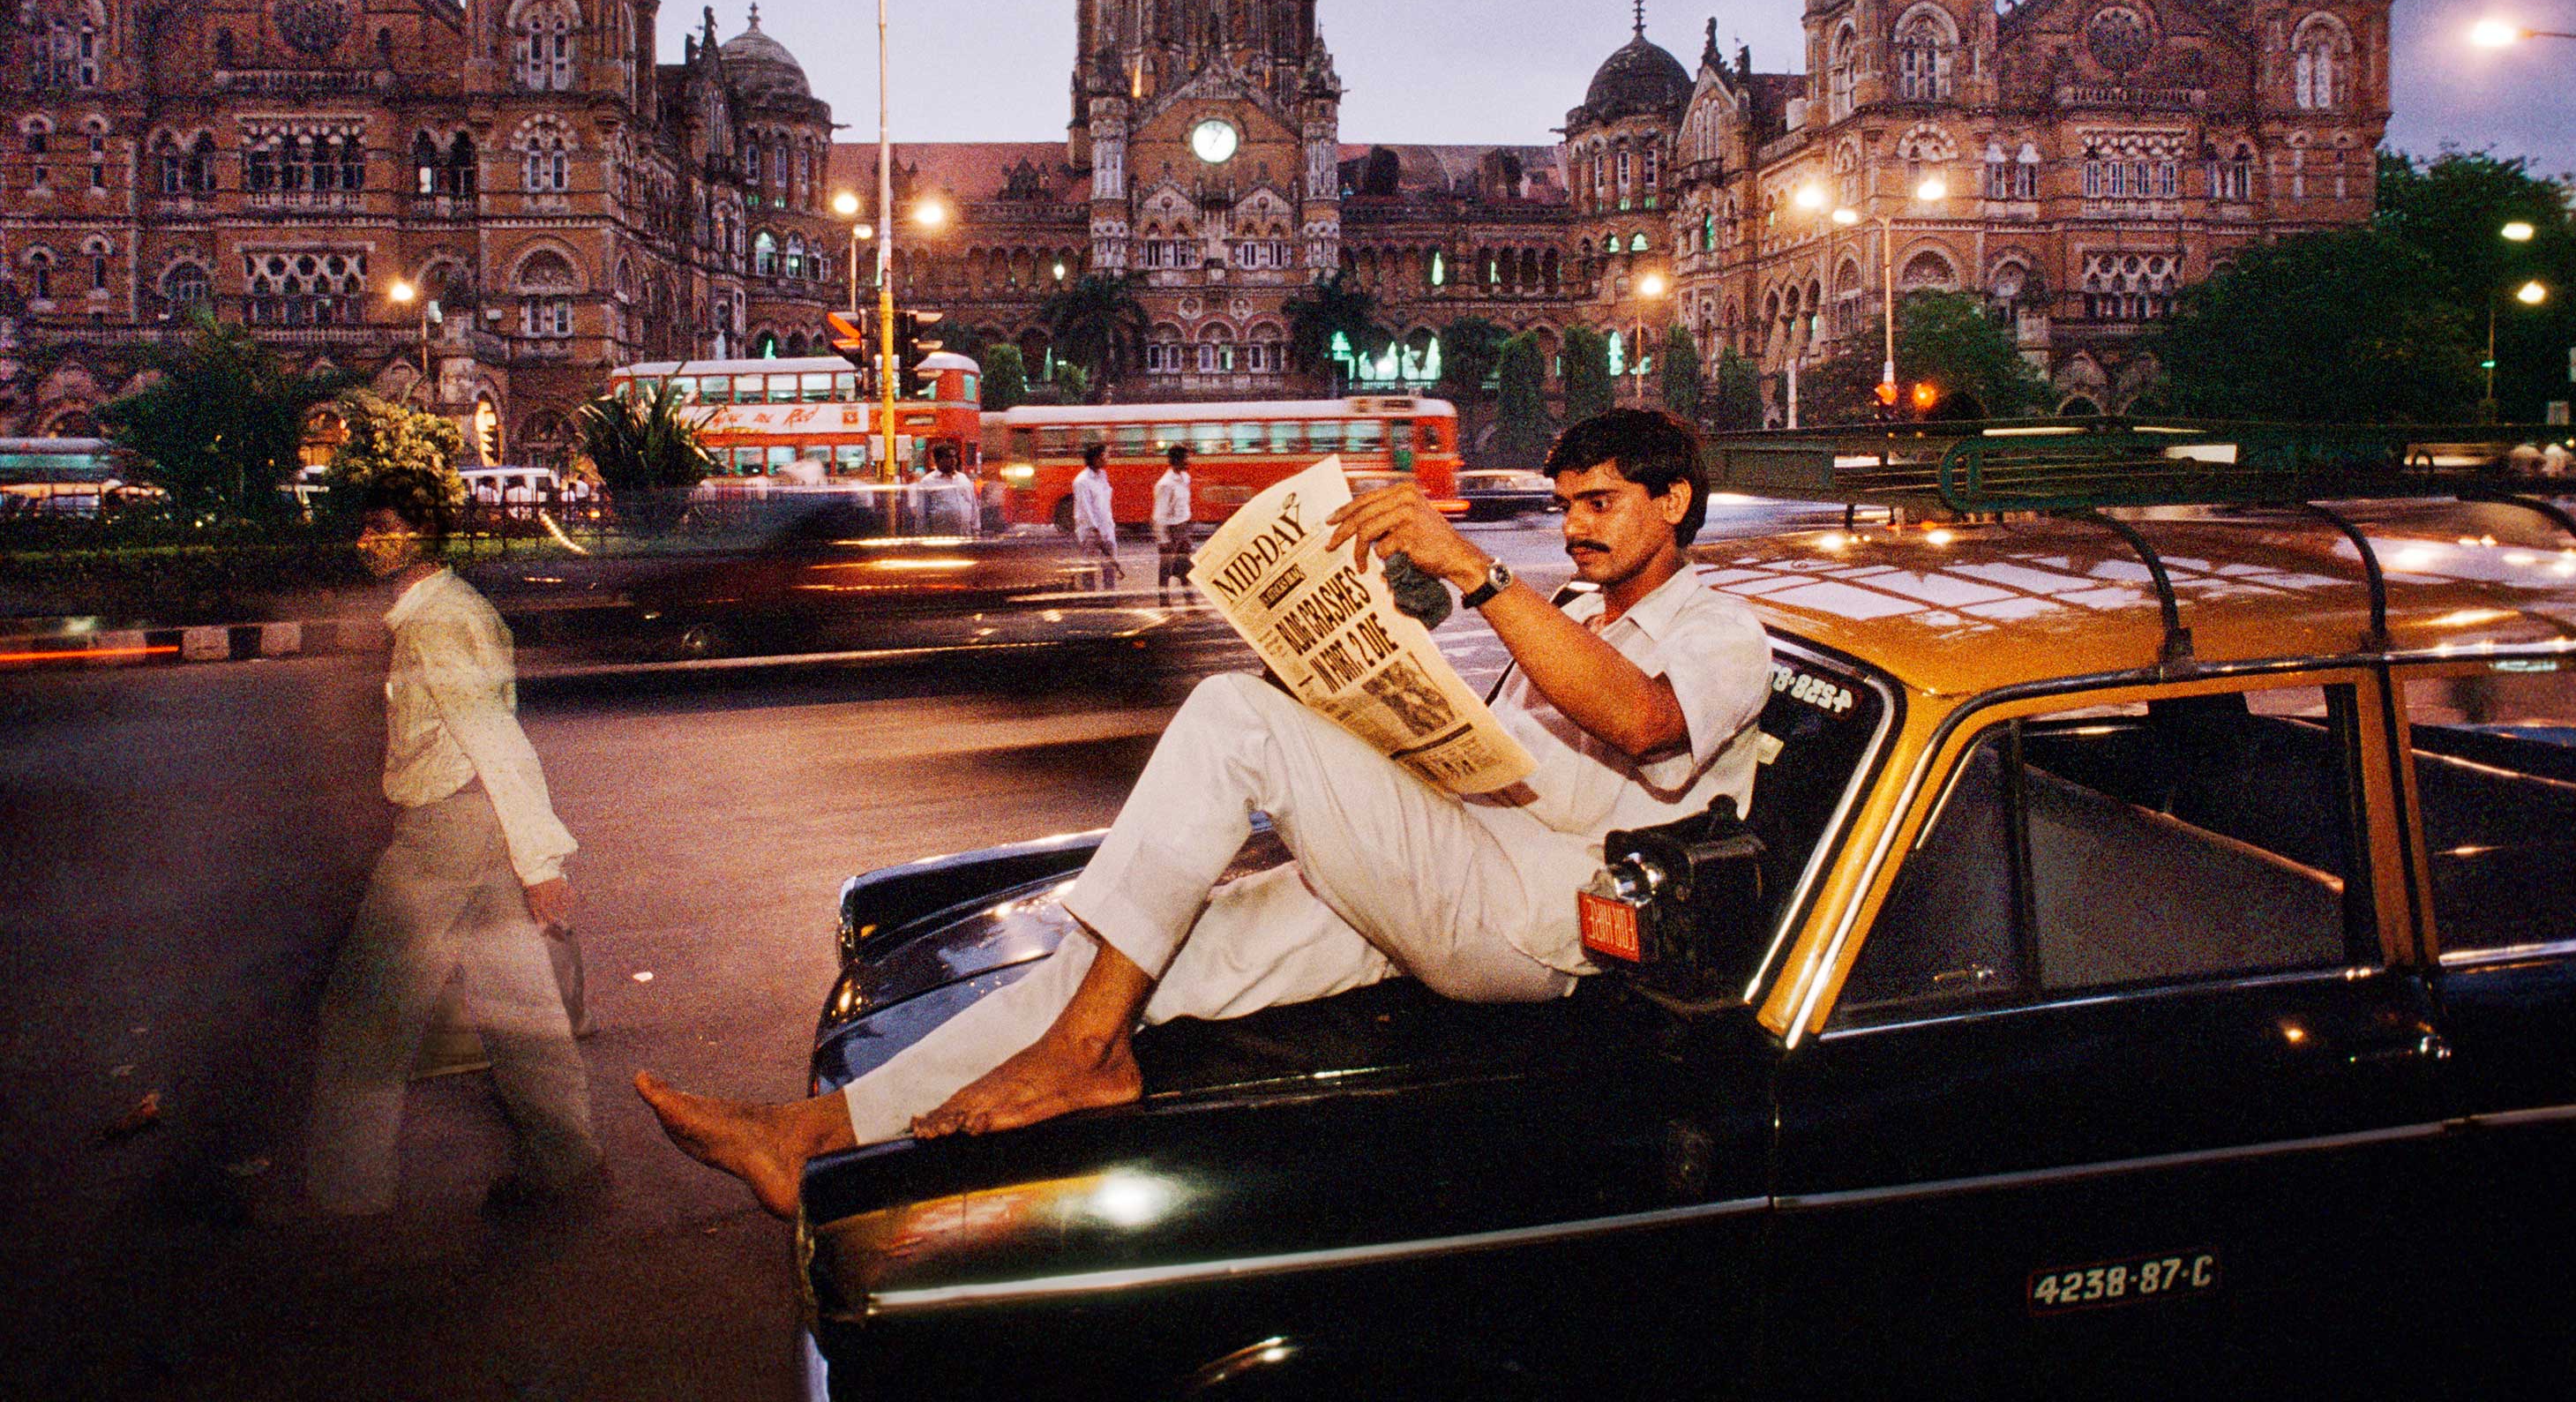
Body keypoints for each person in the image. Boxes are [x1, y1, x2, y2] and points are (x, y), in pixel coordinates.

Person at [638, 409, 1771, 1218]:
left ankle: (1085, 1056)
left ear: (1672, 503)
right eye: (1566, 503)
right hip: (1455, 858)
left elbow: (1643, 723)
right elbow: (1497, 749)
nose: (1575, 525)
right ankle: (807, 1135)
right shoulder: (1571, 603)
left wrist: (1477, 574)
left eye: (1602, 503)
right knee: (1133, 951)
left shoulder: (1723, 631)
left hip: (1534, 915)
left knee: (1231, 714)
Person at [306, 469, 604, 1217]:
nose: (365, 541)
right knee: (517, 999)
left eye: (381, 527)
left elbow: (496, 737)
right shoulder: (448, 608)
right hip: (479, 823)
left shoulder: (438, 620)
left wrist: (540, 863)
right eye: (364, 526)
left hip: (447, 829)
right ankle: (567, 1164)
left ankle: (345, 1196)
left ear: (421, 535)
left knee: (366, 1008)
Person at [1071, 440, 1120, 588]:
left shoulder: (1102, 476)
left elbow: (1104, 504)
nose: (1108, 458)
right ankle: (1090, 597)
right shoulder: (1082, 481)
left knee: (1109, 566)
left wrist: (1108, 528)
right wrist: (1096, 532)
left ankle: (1110, 596)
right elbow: (1086, 509)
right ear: (1097, 458)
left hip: (1106, 528)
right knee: (1090, 567)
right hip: (1091, 532)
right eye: (1106, 455)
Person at [1151, 442, 1195, 604]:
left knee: (1185, 567)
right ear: (1177, 461)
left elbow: (1184, 505)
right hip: (1170, 530)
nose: (1189, 461)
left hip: (1183, 527)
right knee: (1166, 568)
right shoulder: (1165, 484)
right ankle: (1164, 600)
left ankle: (1190, 601)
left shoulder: (1185, 478)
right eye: (1186, 458)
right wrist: (1163, 540)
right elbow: (1159, 515)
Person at [914, 442, 980, 536]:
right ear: (938, 460)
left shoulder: (964, 479)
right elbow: (922, 514)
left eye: (954, 457)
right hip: (941, 541)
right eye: (948, 457)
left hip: (966, 538)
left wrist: (976, 531)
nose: (953, 461)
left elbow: (973, 507)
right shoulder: (927, 482)